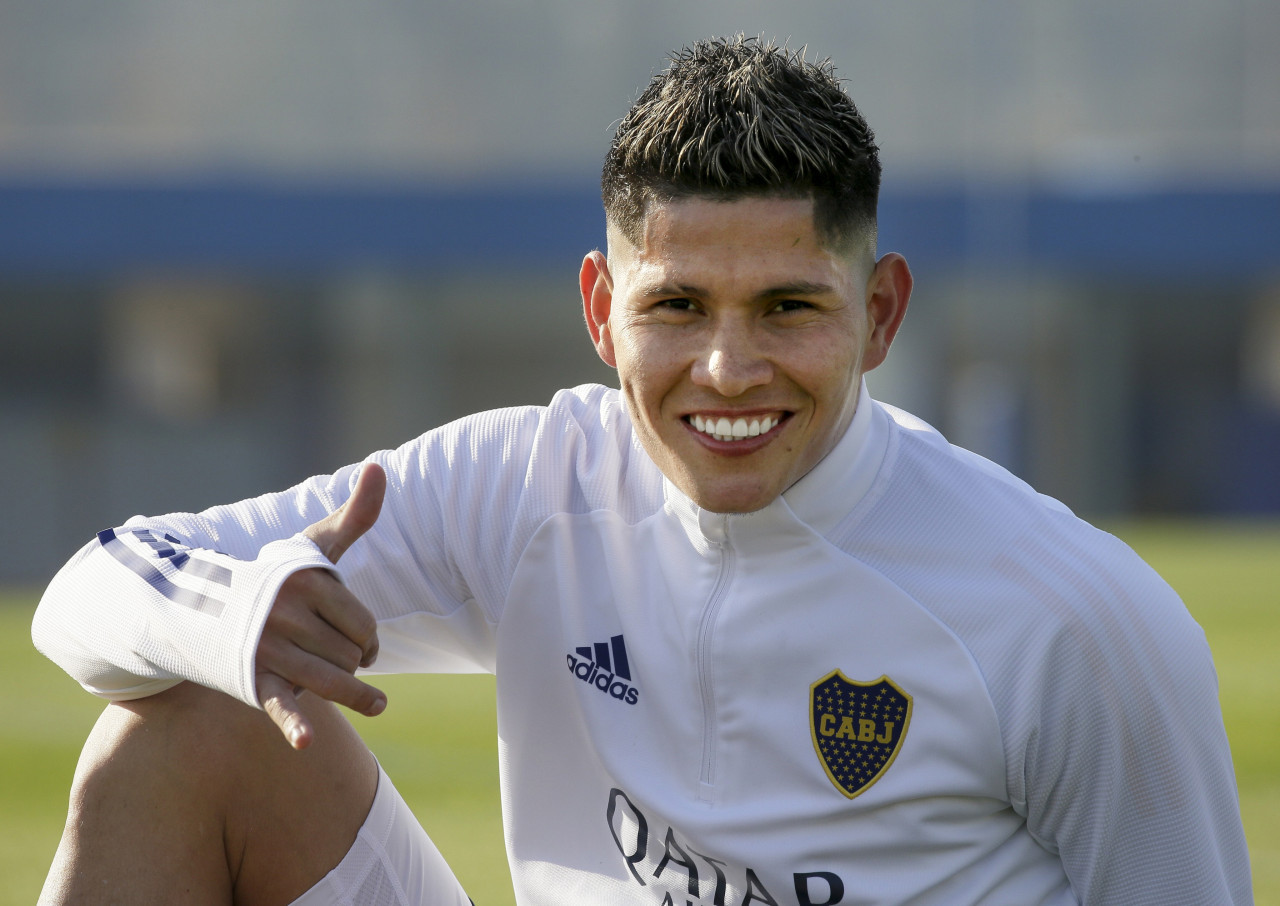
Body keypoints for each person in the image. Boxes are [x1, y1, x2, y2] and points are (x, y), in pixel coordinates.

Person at [33, 35, 1251, 906]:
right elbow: (87, 595)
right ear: (600, 309)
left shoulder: (1075, 620)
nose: (726, 368)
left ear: (879, 316)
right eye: (676, 307)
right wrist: (234, 616)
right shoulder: (524, 486)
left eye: (786, 307)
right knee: (178, 718)